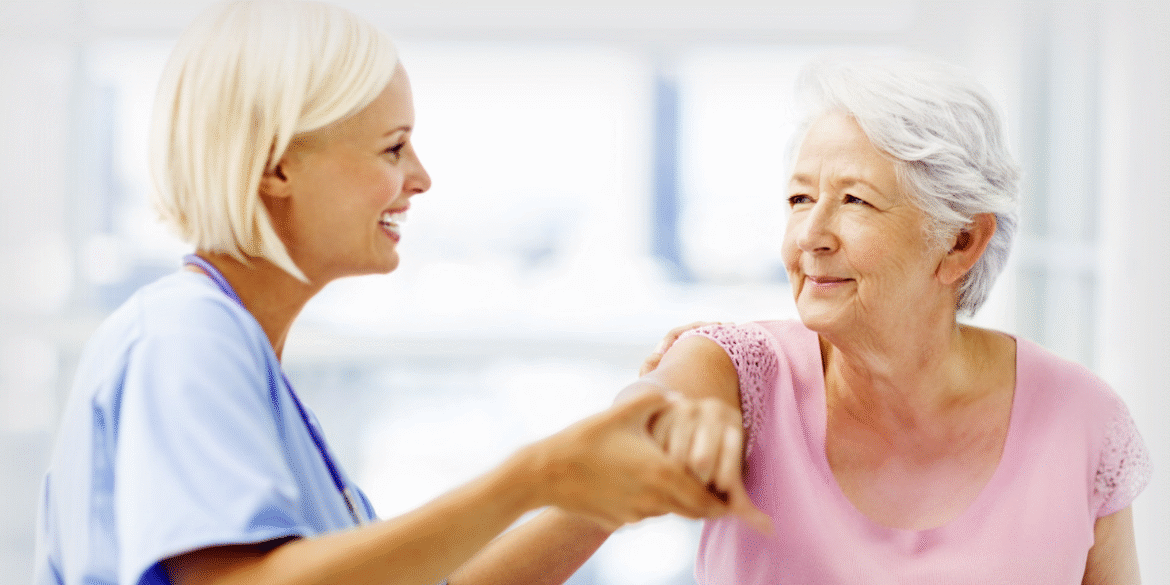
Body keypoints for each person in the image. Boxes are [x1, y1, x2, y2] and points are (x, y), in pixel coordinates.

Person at [32, 2, 768, 584]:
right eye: (392, 147)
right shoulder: (184, 335)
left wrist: (604, 487)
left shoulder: (241, 364)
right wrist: (536, 473)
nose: (419, 178)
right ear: (277, 165)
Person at [634, 53, 1152, 584]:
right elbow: (612, 448)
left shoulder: (1081, 419)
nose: (811, 235)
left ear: (960, 241)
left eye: (855, 200)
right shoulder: (734, 371)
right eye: (799, 198)